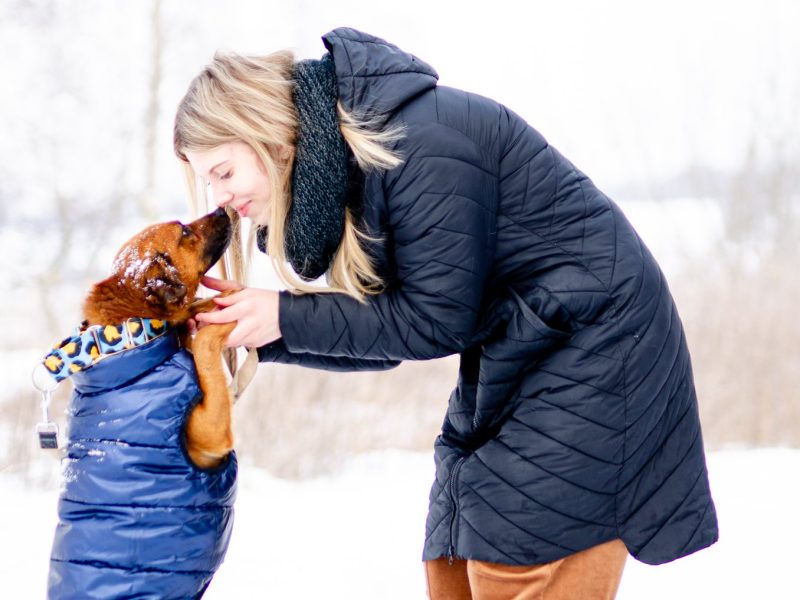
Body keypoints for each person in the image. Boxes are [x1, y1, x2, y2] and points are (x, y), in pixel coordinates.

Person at [174, 27, 718, 599]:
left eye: (224, 172)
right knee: (453, 560)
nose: (220, 199)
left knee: (512, 557)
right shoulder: (351, 172)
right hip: (521, 347)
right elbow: (392, 333)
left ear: (266, 135)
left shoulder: (419, 142)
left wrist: (284, 317)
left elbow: (433, 321)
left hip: (601, 344)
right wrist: (257, 331)